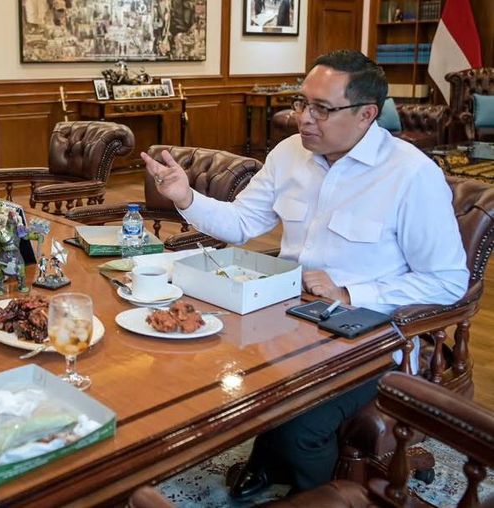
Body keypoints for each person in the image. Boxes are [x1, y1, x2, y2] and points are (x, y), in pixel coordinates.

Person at [142, 49, 468, 497]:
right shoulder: (289, 154)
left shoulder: (412, 175)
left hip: (370, 337)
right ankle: (270, 460)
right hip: (287, 317)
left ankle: (327, 496)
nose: (304, 118)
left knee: (300, 429)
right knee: (208, 376)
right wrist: (185, 197)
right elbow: (241, 224)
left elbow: (449, 281)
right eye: (301, 103)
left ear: (366, 114)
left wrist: (352, 293)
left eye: (322, 108)